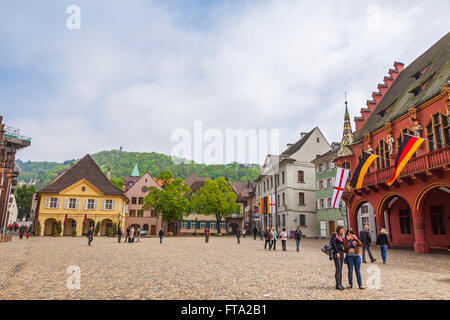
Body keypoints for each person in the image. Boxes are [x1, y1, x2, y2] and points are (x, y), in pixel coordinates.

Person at [331, 225, 345, 290]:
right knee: (338, 268)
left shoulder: (341, 236)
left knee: (340, 268)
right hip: (337, 254)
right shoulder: (335, 234)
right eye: (342, 229)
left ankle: (340, 284)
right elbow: (333, 243)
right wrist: (337, 252)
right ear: (339, 229)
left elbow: (342, 244)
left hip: (342, 253)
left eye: (343, 229)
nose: (343, 231)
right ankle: (337, 284)